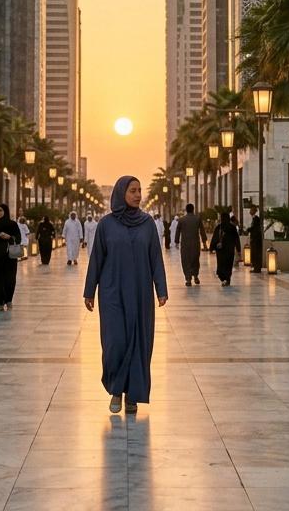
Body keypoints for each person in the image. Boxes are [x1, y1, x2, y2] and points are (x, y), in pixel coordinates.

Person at [83, 176, 168, 414]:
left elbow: (155, 257)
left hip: (140, 292)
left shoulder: (147, 224)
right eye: (133, 191)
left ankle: (132, 395)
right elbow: (97, 258)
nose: (138, 195)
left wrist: (161, 289)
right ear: (122, 193)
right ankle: (116, 390)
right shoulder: (106, 225)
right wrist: (89, 291)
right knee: (115, 342)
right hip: (112, 292)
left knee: (139, 342)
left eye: (139, 190)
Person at [0, 205, 22, 310]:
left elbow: (18, 238)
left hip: (10, 256)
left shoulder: (12, 224)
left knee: (10, 279)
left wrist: (9, 237)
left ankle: (8, 300)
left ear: (5, 212)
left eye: (1, 210)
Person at [176, 203, 204, 287]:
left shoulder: (181, 220)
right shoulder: (197, 219)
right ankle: (195, 276)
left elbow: (178, 231)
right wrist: (204, 242)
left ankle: (188, 279)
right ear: (193, 209)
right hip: (195, 244)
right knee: (195, 260)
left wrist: (176, 241)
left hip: (185, 244)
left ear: (186, 210)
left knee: (186, 261)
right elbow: (202, 231)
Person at [209, 210, 240, 286]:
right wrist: (238, 249)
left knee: (222, 266)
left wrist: (212, 247)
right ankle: (227, 279)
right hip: (228, 250)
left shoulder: (221, 227)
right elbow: (237, 239)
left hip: (222, 251)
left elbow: (214, 238)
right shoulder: (231, 227)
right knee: (227, 266)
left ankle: (225, 279)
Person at [248, 205, 263, 273]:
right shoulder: (254, 218)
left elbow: (254, 228)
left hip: (256, 240)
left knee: (256, 254)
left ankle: (257, 268)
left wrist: (248, 230)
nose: (250, 211)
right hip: (255, 239)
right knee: (254, 253)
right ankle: (255, 268)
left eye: (251, 210)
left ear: (254, 210)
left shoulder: (256, 218)